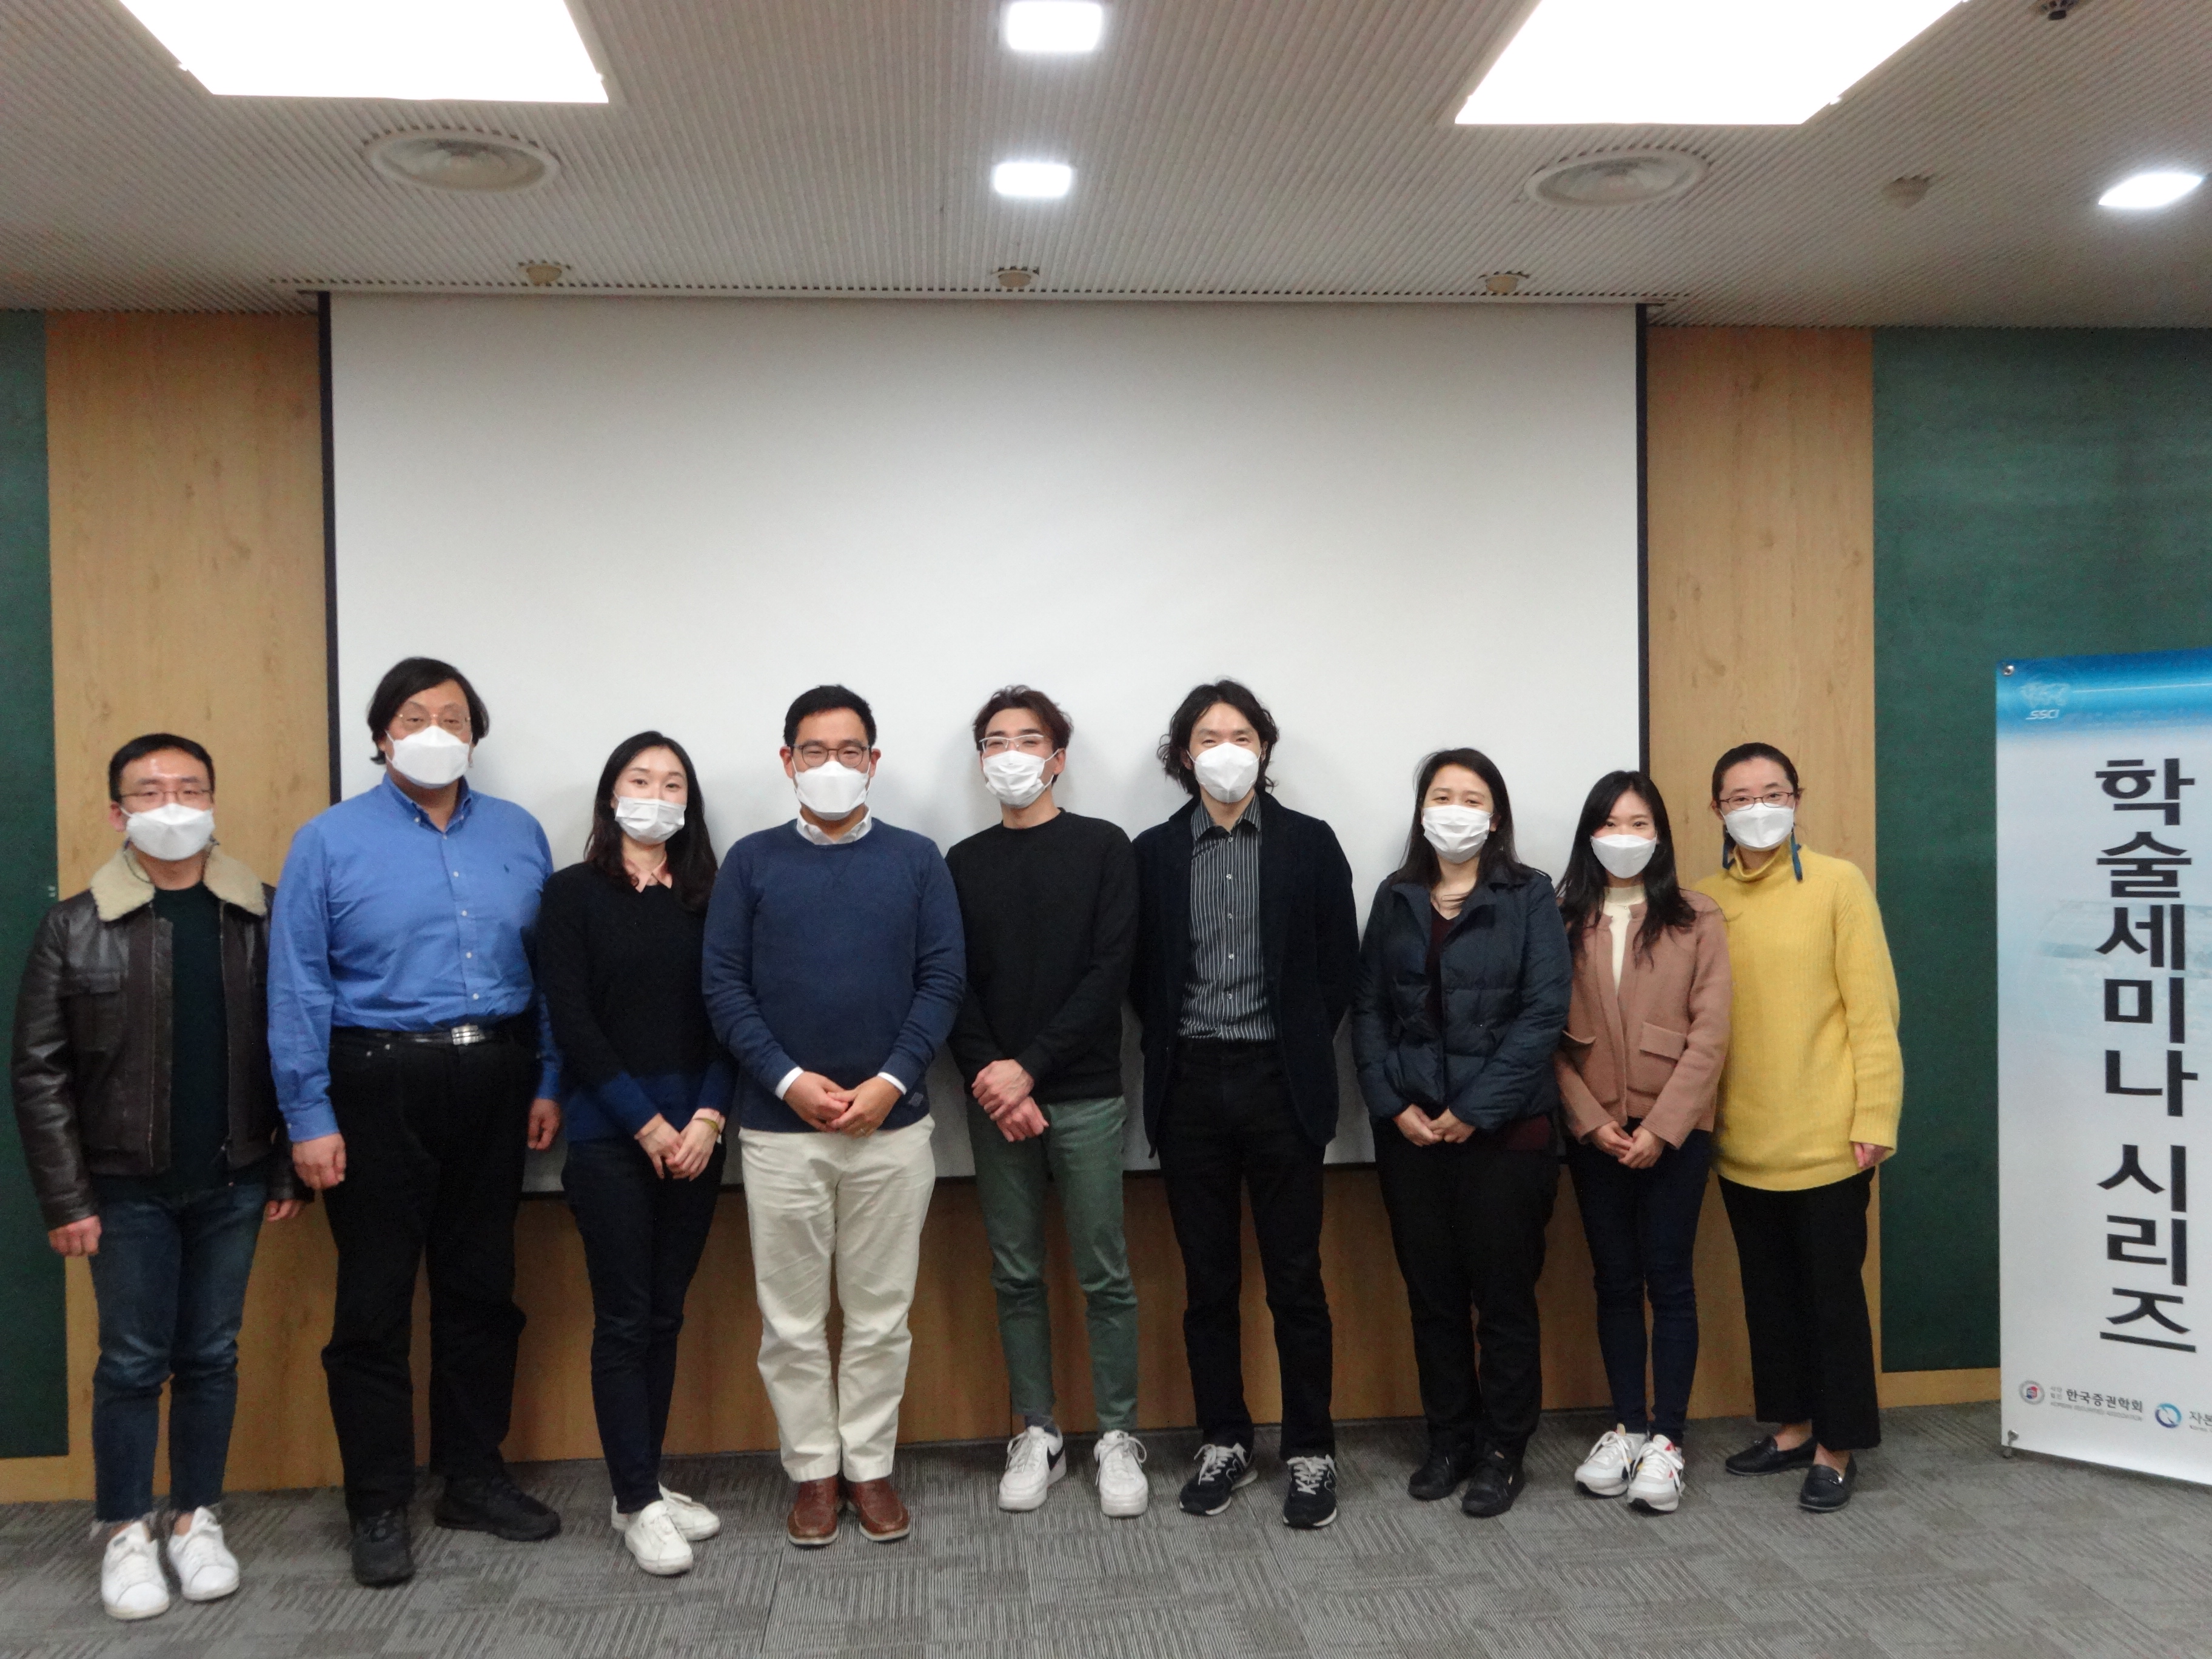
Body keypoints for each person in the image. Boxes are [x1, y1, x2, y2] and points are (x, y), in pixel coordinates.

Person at [267, 658, 565, 1587]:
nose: (436, 731)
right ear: (382, 735)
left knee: (483, 1291)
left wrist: (549, 1077)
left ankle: (472, 1478)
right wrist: (307, 1114)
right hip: (375, 1082)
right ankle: (378, 1502)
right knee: (374, 1303)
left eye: (454, 717)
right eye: (414, 716)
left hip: (497, 1077)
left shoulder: (518, 832)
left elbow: (551, 970)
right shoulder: (328, 840)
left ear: (475, 735)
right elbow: (298, 985)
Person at [12, 734, 305, 1621]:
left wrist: (285, 1166)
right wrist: (67, 1198)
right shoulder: (73, 926)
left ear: (213, 802)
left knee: (211, 1354)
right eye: (150, 791)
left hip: (235, 1180)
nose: (172, 804)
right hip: (123, 1190)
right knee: (133, 1362)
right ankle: (124, 1528)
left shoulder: (263, 914)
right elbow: (39, 1073)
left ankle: (194, 1518)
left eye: (190, 788)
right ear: (118, 812)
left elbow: (297, 1047)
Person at [701, 685, 964, 1549]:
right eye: (814, 751)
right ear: (788, 762)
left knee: (881, 1314)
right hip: (782, 1132)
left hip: (894, 1126)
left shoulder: (918, 860)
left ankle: (870, 1467)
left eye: (851, 751)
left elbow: (942, 979)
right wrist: (787, 1082)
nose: (833, 766)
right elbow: (723, 986)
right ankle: (815, 1472)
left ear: (874, 763)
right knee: (791, 1320)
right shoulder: (750, 863)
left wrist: (891, 1080)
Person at [1131, 679, 1358, 1530]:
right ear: (1183, 756)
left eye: (1241, 736)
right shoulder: (1153, 853)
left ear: (1264, 748)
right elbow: (1142, 978)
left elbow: (1339, 967)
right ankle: (1224, 1439)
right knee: (1208, 1283)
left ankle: (1311, 1449)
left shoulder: (1310, 843)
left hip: (1280, 1085)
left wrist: (1290, 1042)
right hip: (1190, 1085)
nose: (1225, 751)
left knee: (1296, 1280)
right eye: (1207, 738)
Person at [1351, 748, 1571, 1520]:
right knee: (1433, 1298)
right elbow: (1369, 1007)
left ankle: (1504, 1449)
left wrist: (1477, 1107)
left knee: (1503, 1301)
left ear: (1496, 815)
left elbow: (1545, 1012)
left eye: (1471, 798)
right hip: (1412, 1136)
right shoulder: (1397, 895)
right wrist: (1391, 1103)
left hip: (1506, 1136)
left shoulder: (1530, 893)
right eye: (1441, 796)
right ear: (1422, 812)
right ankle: (1449, 1439)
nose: (1455, 810)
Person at [945, 686, 1146, 1518]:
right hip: (995, 1099)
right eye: (995, 741)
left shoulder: (1104, 847)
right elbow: (950, 982)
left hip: (1085, 1092)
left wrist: (1029, 1069)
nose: (1012, 754)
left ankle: (1118, 1435)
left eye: (1029, 739)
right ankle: (1039, 1432)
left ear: (1058, 757)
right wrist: (998, 1080)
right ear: (981, 761)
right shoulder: (961, 862)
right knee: (1016, 1271)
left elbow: (1110, 973)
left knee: (1105, 1273)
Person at [537, 732, 730, 1577]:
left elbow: (732, 1012)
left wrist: (709, 1118)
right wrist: (648, 1125)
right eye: (640, 779)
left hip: (700, 1138)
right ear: (611, 795)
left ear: (690, 802)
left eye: (672, 782)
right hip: (611, 1137)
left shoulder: (712, 897)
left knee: (666, 1314)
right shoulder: (571, 895)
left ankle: (643, 1483)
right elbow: (574, 1023)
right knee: (623, 1318)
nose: (656, 795)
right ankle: (636, 1501)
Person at [1695, 742, 1901, 1513]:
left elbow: (1873, 1012)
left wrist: (1875, 1115)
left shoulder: (1840, 884)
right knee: (1769, 1295)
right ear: (1717, 809)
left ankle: (1836, 1447)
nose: (1758, 808)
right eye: (1740, 797)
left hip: (1830, 1141)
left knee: (1831, 1300)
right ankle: (1790, 1428)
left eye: (1774, 792)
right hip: (1743, 1140)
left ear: (1797, 799)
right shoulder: (1703, 901)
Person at [1553, 770, 1730, 1515]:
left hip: (1676, 1132)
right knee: (1615, 1281)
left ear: (1659, 835)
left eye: (1639, 824)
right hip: (1594, 1131)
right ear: (1589, 834)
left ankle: (1668, 1440)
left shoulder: (1696, 915)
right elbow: (1543, 1032)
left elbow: (1711, 1033)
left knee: (1671, 1281)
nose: (1624, 837)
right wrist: (1589, 1119)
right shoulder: (1561, 916)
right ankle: (1626, 1428)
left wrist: (1662, 1127)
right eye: (1610, 824)